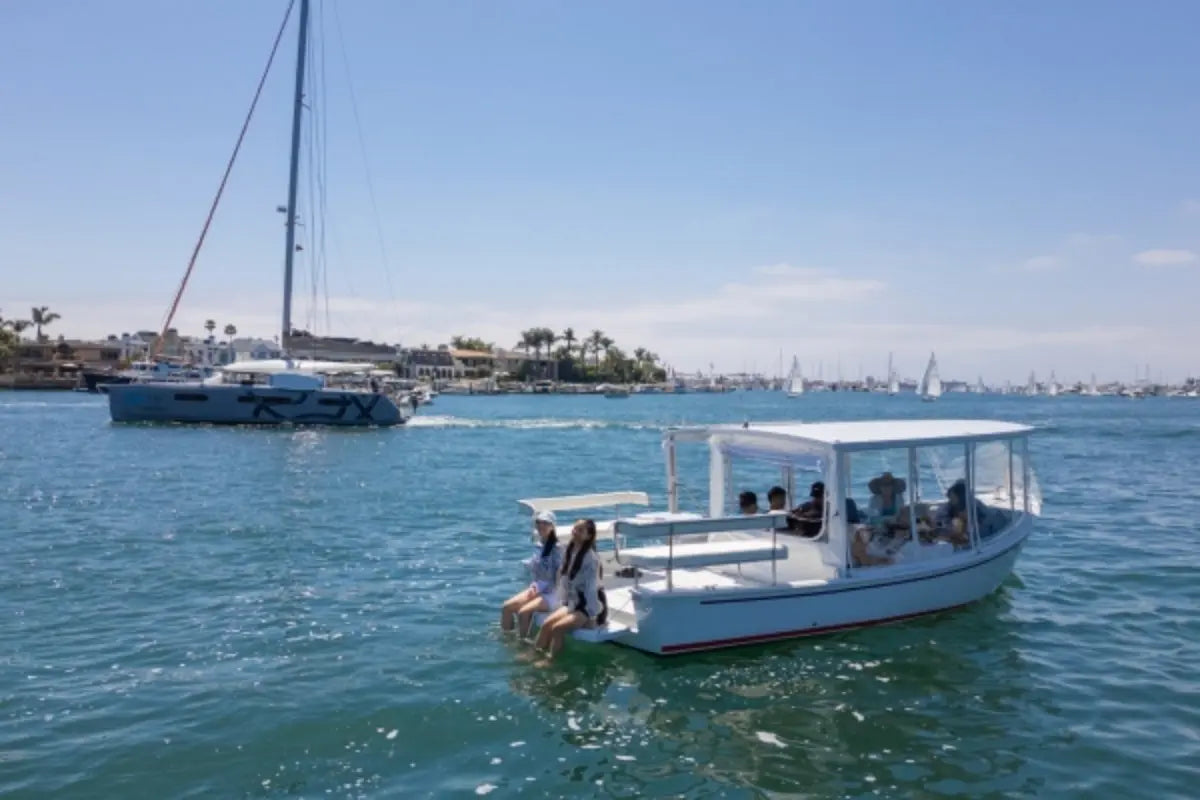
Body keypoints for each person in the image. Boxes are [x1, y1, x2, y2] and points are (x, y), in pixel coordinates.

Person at [535, 519, 607, 658]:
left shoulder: (591, 559)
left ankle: (550, 661)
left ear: (589, 536)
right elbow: (563, 581)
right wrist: (561, 602)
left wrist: (592, 616)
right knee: (546, 625)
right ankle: (535, 655)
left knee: (557, 629)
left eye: (580, 530)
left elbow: (591, 590)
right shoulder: (570, 550)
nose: (575, 532)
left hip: (587, 607)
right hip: (573, 603)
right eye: (574, 529)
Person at [501, 510, 562, 636]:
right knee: (507, 607)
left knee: (523, 612)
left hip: (553, 593)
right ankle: (507, 638)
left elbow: (560, 577)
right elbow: (538, 573)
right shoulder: (540, 546)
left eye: (546, 523)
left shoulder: (557, 549)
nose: (541, 526)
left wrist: (542, 589)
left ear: (552, 526)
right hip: (539, 588)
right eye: (538, 522)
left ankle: (522, 645)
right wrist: (535, 585)